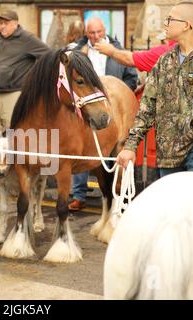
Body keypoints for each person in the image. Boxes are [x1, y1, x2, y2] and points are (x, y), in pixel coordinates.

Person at [117, 2, 193, 177]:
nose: (165, 23)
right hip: (167, 156)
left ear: (186, 25)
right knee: (171, 205)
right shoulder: (163, 61)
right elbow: (147, 107)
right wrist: (130, 146)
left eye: (170, 19)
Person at [68, 17, 138, 212]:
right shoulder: (77, 53)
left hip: (112, 104)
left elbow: (131, 78)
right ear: (86, 34)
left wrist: (120, 95)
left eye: (99, 32)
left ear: (104, 30)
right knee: (79, 150)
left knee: (114, 153)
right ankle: (79, 195)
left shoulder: (117, 50)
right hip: (85, 106)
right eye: (91, 33)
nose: (96, 36)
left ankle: (120, 196)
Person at [0, 9, 50, 134]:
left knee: (12, 130)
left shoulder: (27, 38)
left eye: (5, 23)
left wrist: (36, 77)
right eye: (0, 23)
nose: (1, 26)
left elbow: (48, 54)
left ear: (15, 24)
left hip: (13, 92)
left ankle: (12, 154)